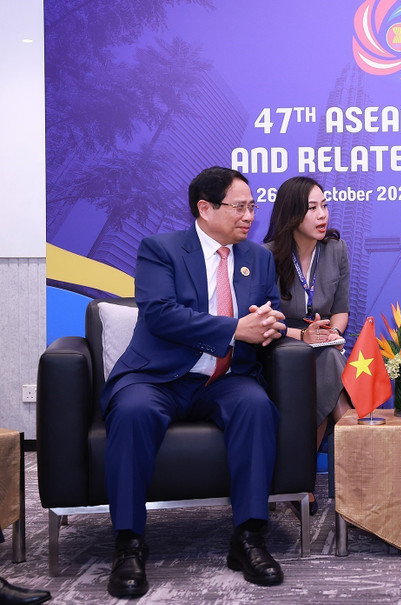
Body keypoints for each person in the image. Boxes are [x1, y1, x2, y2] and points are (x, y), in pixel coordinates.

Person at [101, 167, 288, 598]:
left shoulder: (257, 258)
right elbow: (160, 313)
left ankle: (248, 539)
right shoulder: (161, 250)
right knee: (132, 412)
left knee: (256, 406)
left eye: (252, 207)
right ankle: (128, 544)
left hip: (224, 378)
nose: (248, 215)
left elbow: (270, 312)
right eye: (239, 206)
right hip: (157, 376)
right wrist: (234, 329)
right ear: (205, 208)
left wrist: (270, 325)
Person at [263, 176, 352, 515]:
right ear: (292, 214)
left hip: (326, 339)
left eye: (325, 206)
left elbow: (341, 310)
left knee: (328, 357)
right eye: (312, 208)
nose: (322, 215)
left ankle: (297, 478)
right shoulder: (267, 256)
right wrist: (303, 336)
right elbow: (263, 318)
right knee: (327, 367)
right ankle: (349, 471)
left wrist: (332, 333)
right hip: (283, 342)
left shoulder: (336, 250)